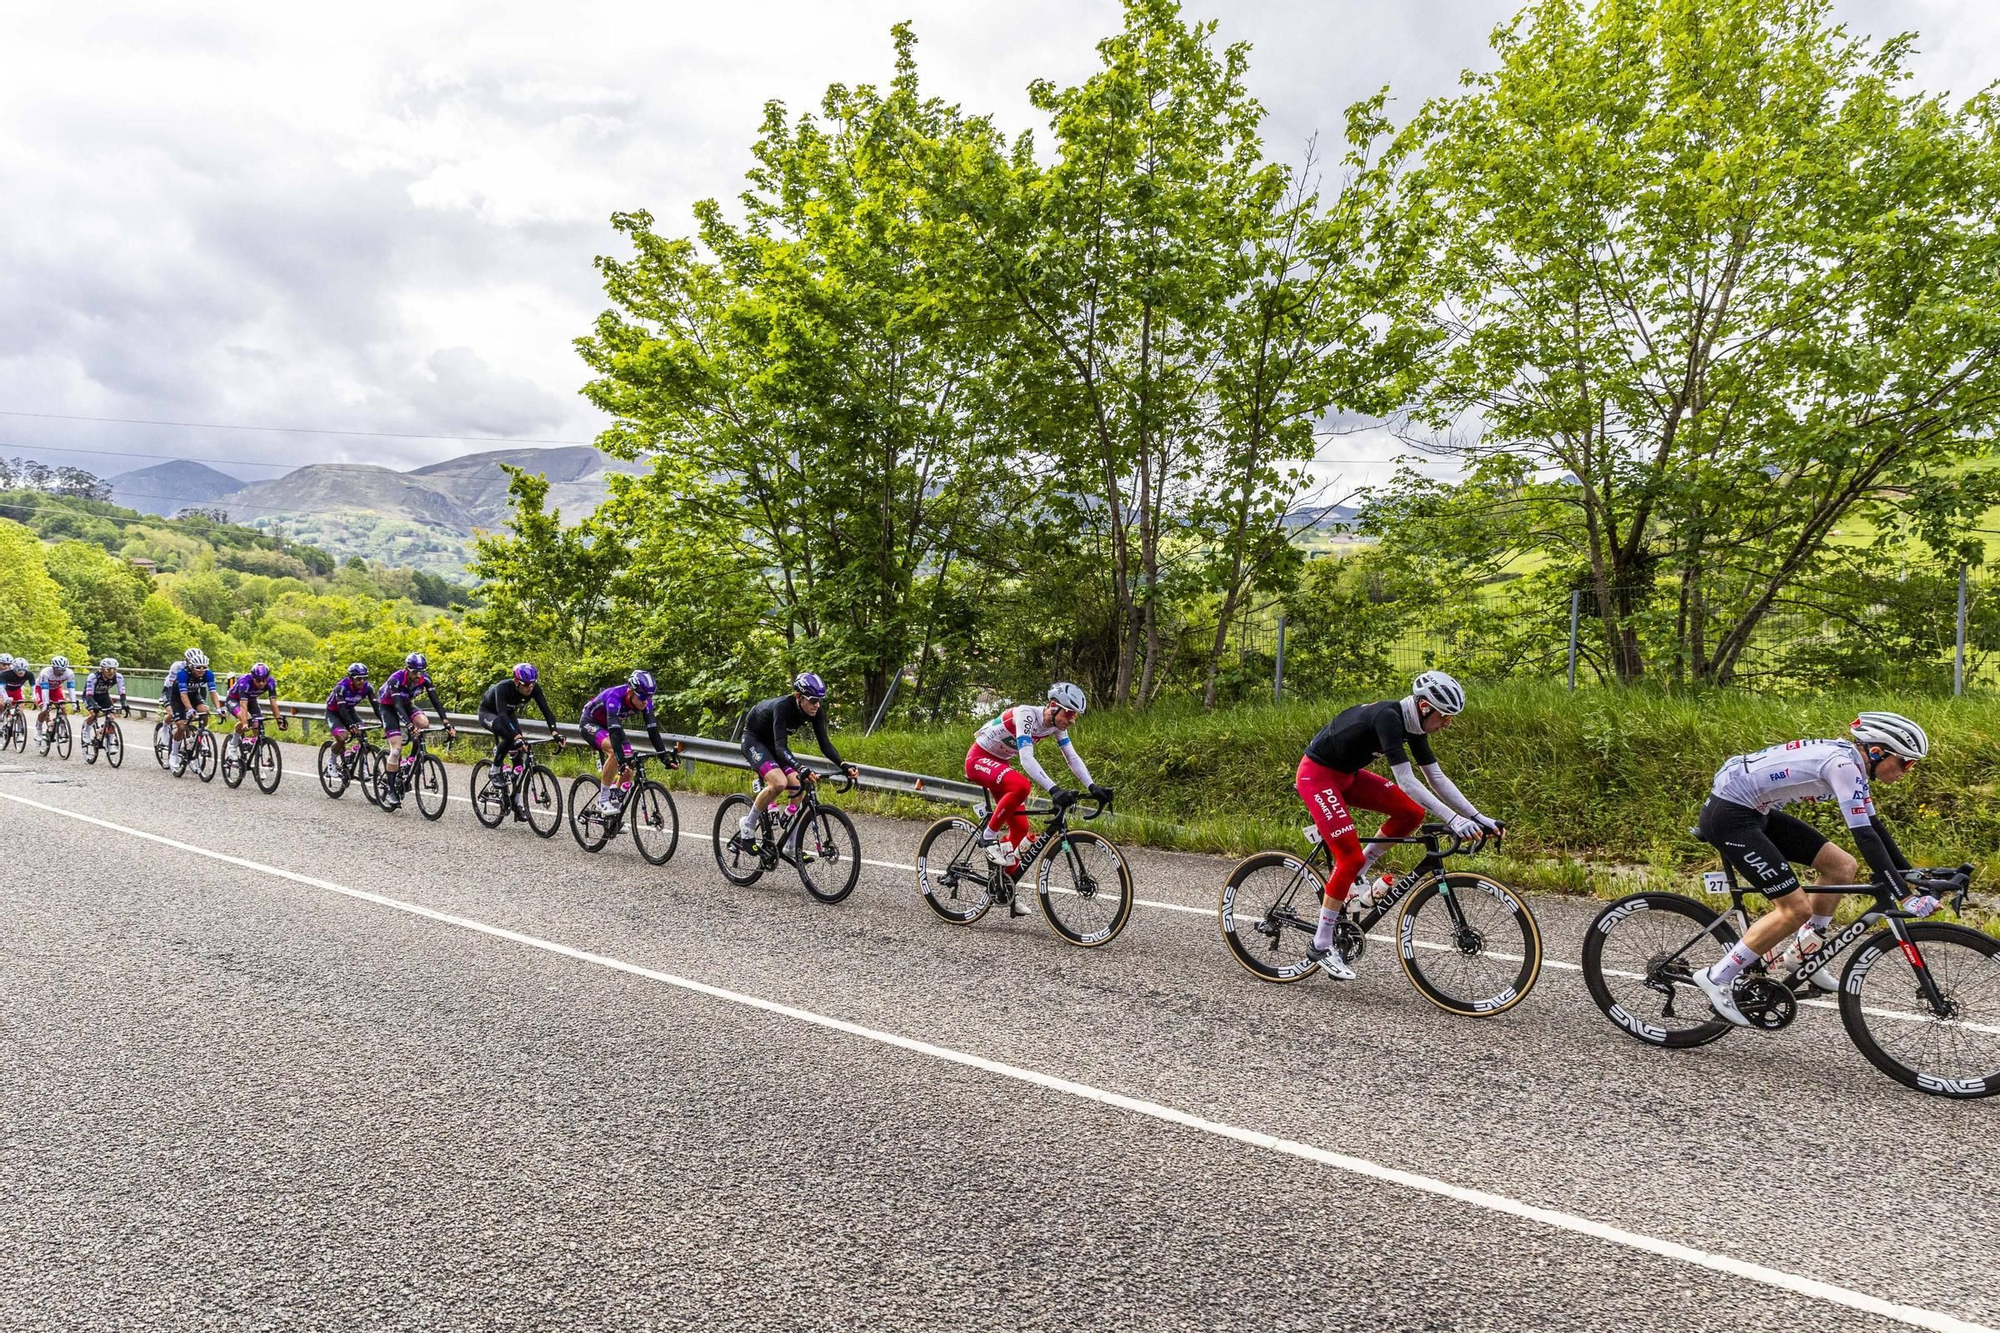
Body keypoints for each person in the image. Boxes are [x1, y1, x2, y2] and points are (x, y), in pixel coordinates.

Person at [1690, 712, 1931, 1026]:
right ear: (1876, 751)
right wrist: (1903, 894)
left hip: (1754, 811)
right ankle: (1718, 976)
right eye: (1905, 763)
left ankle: (1804, 952)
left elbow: (1874, 825)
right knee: (1795, 910)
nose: (1906, 772)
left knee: (1842, 867)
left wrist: (1909, 874)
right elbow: (1864, 836)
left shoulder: (1852, 763)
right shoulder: (1843, 766)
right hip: (1730, 817)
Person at [1293, 670, 1502, 980]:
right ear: (1424, 707)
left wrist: (1477, 817)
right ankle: (1321, 944)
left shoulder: (1414, 725)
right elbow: (1406, 781)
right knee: (1348, 857)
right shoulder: (1389, 717)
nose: (1447, 724)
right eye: (1445, 717)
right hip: (1318, 776)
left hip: (1347, 776)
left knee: (1411, 814)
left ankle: (1356, 876)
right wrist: (1453, 820)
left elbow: (1436, 779)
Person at [965, 682, 1113, 878]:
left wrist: (1093, 786)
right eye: (1069, 714)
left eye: (1075, 716)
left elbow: (1072, 758)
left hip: (1000, 763)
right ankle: (988, 836)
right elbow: (1026, 758)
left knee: (1020, 828)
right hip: (978, 759)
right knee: (1021, 786)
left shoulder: (1055, 726)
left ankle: (1005, 885)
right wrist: (1054, 790)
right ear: (1053, 705)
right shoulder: (1026, 714)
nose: (1072, 721)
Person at [735, 672, 860, 845]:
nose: (817, 705)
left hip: (773, 744)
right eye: (813, 700)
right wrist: (801, 768)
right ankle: (748, 824)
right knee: (779, 783)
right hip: (754, 740)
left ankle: (790, 844)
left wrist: (843, 764)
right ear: (798, 697)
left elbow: (824, 744)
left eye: (820, 700)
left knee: (802, 785)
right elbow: (781, 748)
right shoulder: (782, 707)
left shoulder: (816, 711)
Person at [478, 663, 565, 817]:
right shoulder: (503, 687)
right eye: (526, 685)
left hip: (508, 713)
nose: (529, 688)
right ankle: (495, 769)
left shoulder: (534, 688)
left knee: (519, 760)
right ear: (516, 681)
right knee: (510, 737)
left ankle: (515, 803)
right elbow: (502, 715)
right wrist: (516, 736)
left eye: (532, 684)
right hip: (490, 713)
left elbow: (547, 711)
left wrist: (555, 732)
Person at [580, 670, 669, 816]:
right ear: (631, 692)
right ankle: (603, 800)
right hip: (591, 723)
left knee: (629, 761)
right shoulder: (614, 697)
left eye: (649, 697)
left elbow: (653, 731)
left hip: (612, 726)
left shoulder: (645, 701)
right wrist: (620, 761)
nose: (646, 701)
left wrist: (664, 757)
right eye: (642, 697)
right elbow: (614, 733)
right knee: (616, 754)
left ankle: (615, 809)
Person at [375, 651, 452, 811]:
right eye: (415, 672)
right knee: (396, 750)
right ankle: (390, 789)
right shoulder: (396, 679)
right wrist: (409, 726)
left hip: (406, 703)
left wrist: (446, 722)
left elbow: (435, 700)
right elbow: (396, 706)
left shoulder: (425, 678)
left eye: (421, 672)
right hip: (388, 706)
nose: (418, 675)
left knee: (424, 724)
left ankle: (410, 760)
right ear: (407, 669)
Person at [164, 648, 216, 775]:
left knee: (205, 710)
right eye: (198, 667)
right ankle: (174, 753)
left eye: (204, 667)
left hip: (193, 694)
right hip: (175, 694)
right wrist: (188, 709)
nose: (201, 670)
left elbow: (209, 691)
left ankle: (199, 736)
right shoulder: (180, 670)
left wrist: (216, 707)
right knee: (181, 725)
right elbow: (176, 691)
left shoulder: (205, 672)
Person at [323, 664, 376, 779]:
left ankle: (360, 764)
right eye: (358, 679)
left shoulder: (368, 688)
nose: (362, 681)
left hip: (349, 711)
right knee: (342, 737)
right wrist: (350, 725)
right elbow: (341, 710)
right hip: (334, 712)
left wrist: (384, 721)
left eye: (364, 678)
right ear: (351, 679)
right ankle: (332, 761)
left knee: (363, 735)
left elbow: (377, 707)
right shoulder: (341, 688)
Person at [223, 662, 288, 743]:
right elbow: (243, 705)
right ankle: (233, 743)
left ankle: (255, 744)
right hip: (233, 700)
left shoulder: (271, 682)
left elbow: (273, 703)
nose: (261, 683)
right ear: (253, 678)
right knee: (247, 718)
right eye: (258, 680)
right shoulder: (244, 682)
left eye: (264, 680)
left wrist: (279, 720)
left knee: (257, 722)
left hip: (251, 700)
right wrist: (244, 724)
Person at [81, 659, 128, 751]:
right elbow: (89, 694)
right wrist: (94, 705)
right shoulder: (93, 677)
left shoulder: (118, 677)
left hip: (104, 697)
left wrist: (124, 704)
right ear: (102, 669)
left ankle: (110, 744)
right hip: (90, 697)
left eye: (114, 670)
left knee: (111, 718)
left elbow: (122, 692)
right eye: (108, 670)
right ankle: (86, 730)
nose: (112, 672)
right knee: (94, 714)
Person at [33, 654, 74, 739]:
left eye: (63, 670)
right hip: (41, 689)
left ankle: (63, 730)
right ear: (53, 667)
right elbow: (45, 690)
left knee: (62, 707)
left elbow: (71, 688)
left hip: (55, 689)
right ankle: (38, 728)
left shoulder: (69, 673)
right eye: (58, 670)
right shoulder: (45, 673)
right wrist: (46, 704)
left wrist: (74, 703)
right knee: (45, 709)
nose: (60, 672)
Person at [0, 654, 33, 731]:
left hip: (12, 689)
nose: (7, 667)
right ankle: (2, 718)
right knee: (2, 704)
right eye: (4, 664)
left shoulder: (13, 671)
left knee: (21, 705)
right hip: (1, 690)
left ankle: (19, 725)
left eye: (9, 664)